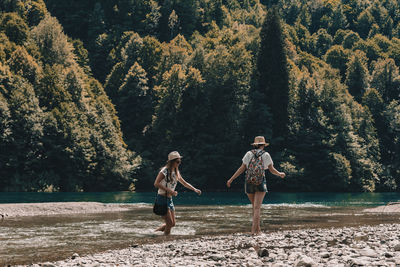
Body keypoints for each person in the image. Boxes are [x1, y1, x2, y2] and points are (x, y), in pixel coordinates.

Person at [226, 136, 285, 235]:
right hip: (260, 182)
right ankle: (254, 232)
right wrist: (280, 174)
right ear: (263, 145)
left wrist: (231, 179)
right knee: (257, 208)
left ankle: (258, 230)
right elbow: (271, 169)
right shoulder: (266, 155)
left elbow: (242, 168)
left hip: (249, 182)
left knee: (254, 207)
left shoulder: (249, 154)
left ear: (255, 144)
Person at [154, 151, 202, 235]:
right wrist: (170, 191)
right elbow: (156, 183)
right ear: (172, 162)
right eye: (177, 162)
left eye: (180, 161)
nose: (179, 163)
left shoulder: (176, 171)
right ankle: (165, 241)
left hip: (169, 199)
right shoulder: (164, 171)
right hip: (161, 199)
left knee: (172, 224)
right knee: (169, 223)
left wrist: (194, 189)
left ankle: (154, 233)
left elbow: (184, 183)